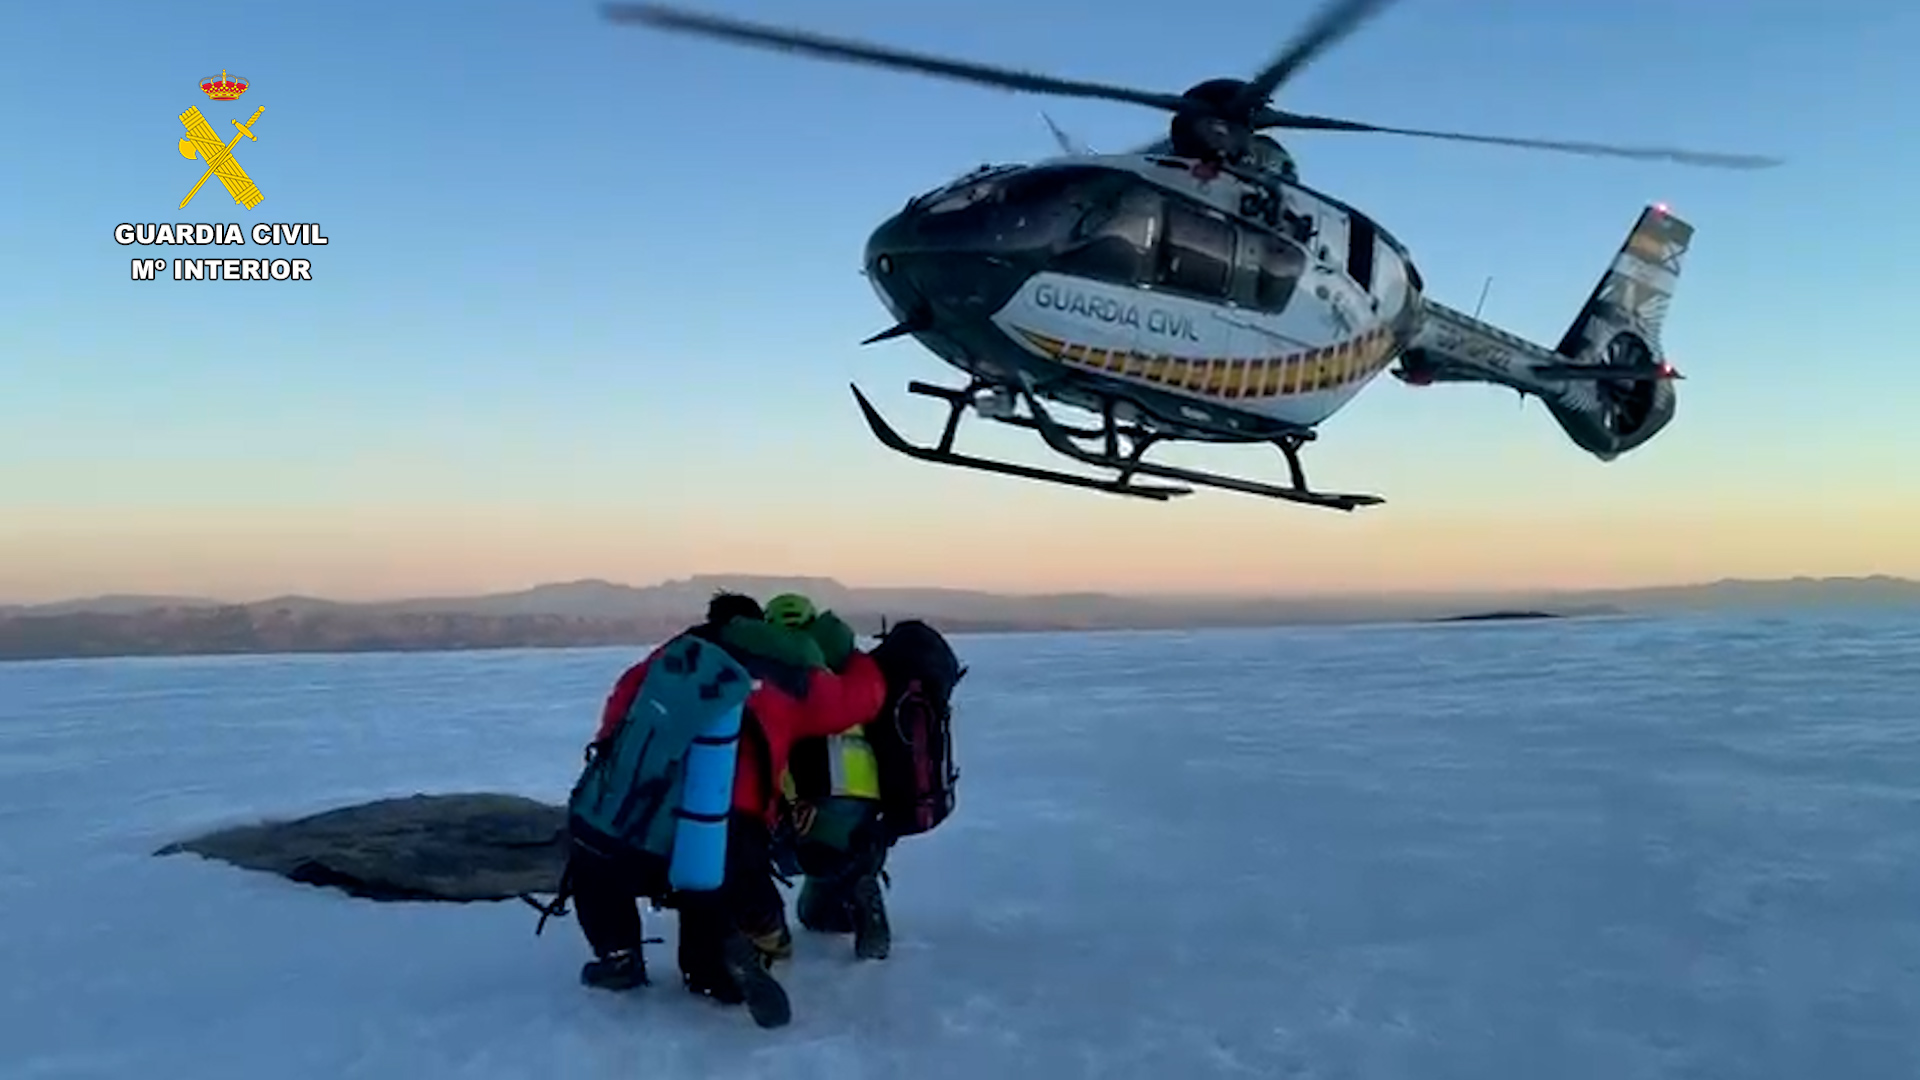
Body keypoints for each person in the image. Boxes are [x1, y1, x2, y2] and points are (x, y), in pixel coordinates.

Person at [563, 590, 888, 1029]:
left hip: (641, 809)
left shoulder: (677, 654)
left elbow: (622, 704)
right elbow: (860, 700)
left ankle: (618, 956)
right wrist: (855, 656)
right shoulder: (789, 674)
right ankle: (720, 968)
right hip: (732, 817)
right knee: (710, 887)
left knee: (594, 859)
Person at [768, 593, 895, 961]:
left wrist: (789, 800)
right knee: (817, 915)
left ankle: (760, 931)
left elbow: (774, 740)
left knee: (766, 855)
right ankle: (858, 883)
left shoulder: (776, 669)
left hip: (813, 794)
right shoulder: (852, 662)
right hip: (867, 791)